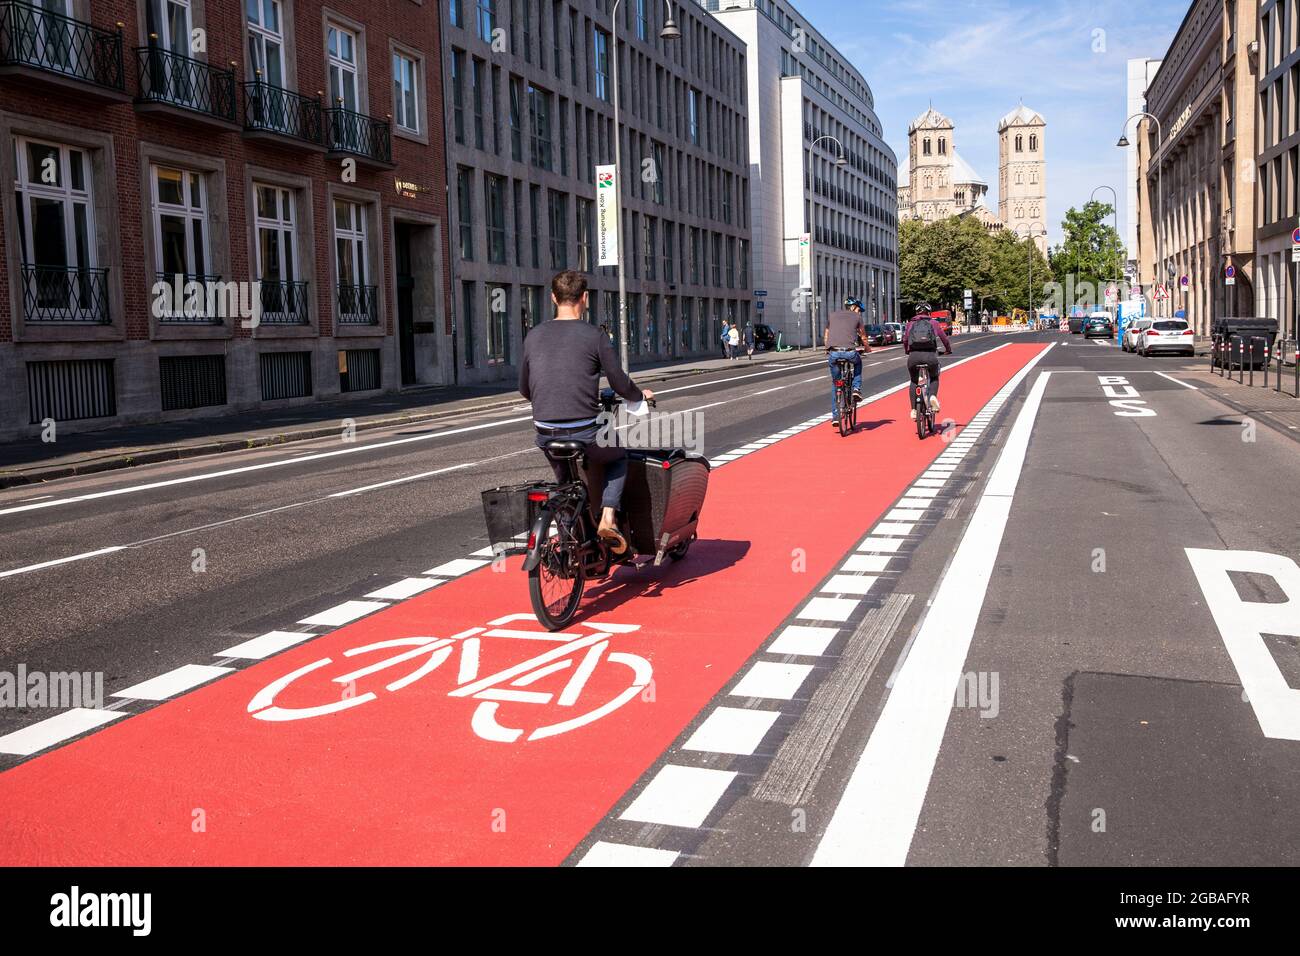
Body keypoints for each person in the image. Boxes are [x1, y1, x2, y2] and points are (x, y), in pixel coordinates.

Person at [518, 271, 653, 555]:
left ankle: (569, 539)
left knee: (565, 483)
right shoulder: (595, 336)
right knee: (618, 456)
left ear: (553, 297)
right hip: (585, 431)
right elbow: (618, 381)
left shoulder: (533, 335)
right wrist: (639, 396)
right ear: (585, 298)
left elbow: (524, 388)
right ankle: (607, 517)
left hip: (545, 431)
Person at [825, 297, 871, 428]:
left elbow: (827, 334)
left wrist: (826, 349)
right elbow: (863, 335)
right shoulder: (857, 318)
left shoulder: (832, 315)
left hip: (833, 353)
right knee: (858, 363)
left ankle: (835, 416)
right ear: (854, 307)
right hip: (849, 352)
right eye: (859, 310)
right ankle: (856, 389)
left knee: (836, 383)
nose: (859, 312)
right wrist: (867, 348)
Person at [903, 302, 953, 420]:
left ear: (916, 312)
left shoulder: (910, 324)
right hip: (930, 356)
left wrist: (907, 351)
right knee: (934, 377)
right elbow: (944, 338)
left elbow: (905, 340)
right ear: (929, 312)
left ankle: (914, 410)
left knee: (914, 381)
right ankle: (932, 397)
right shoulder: (934, 323)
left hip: (913, 357)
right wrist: (948, 350)